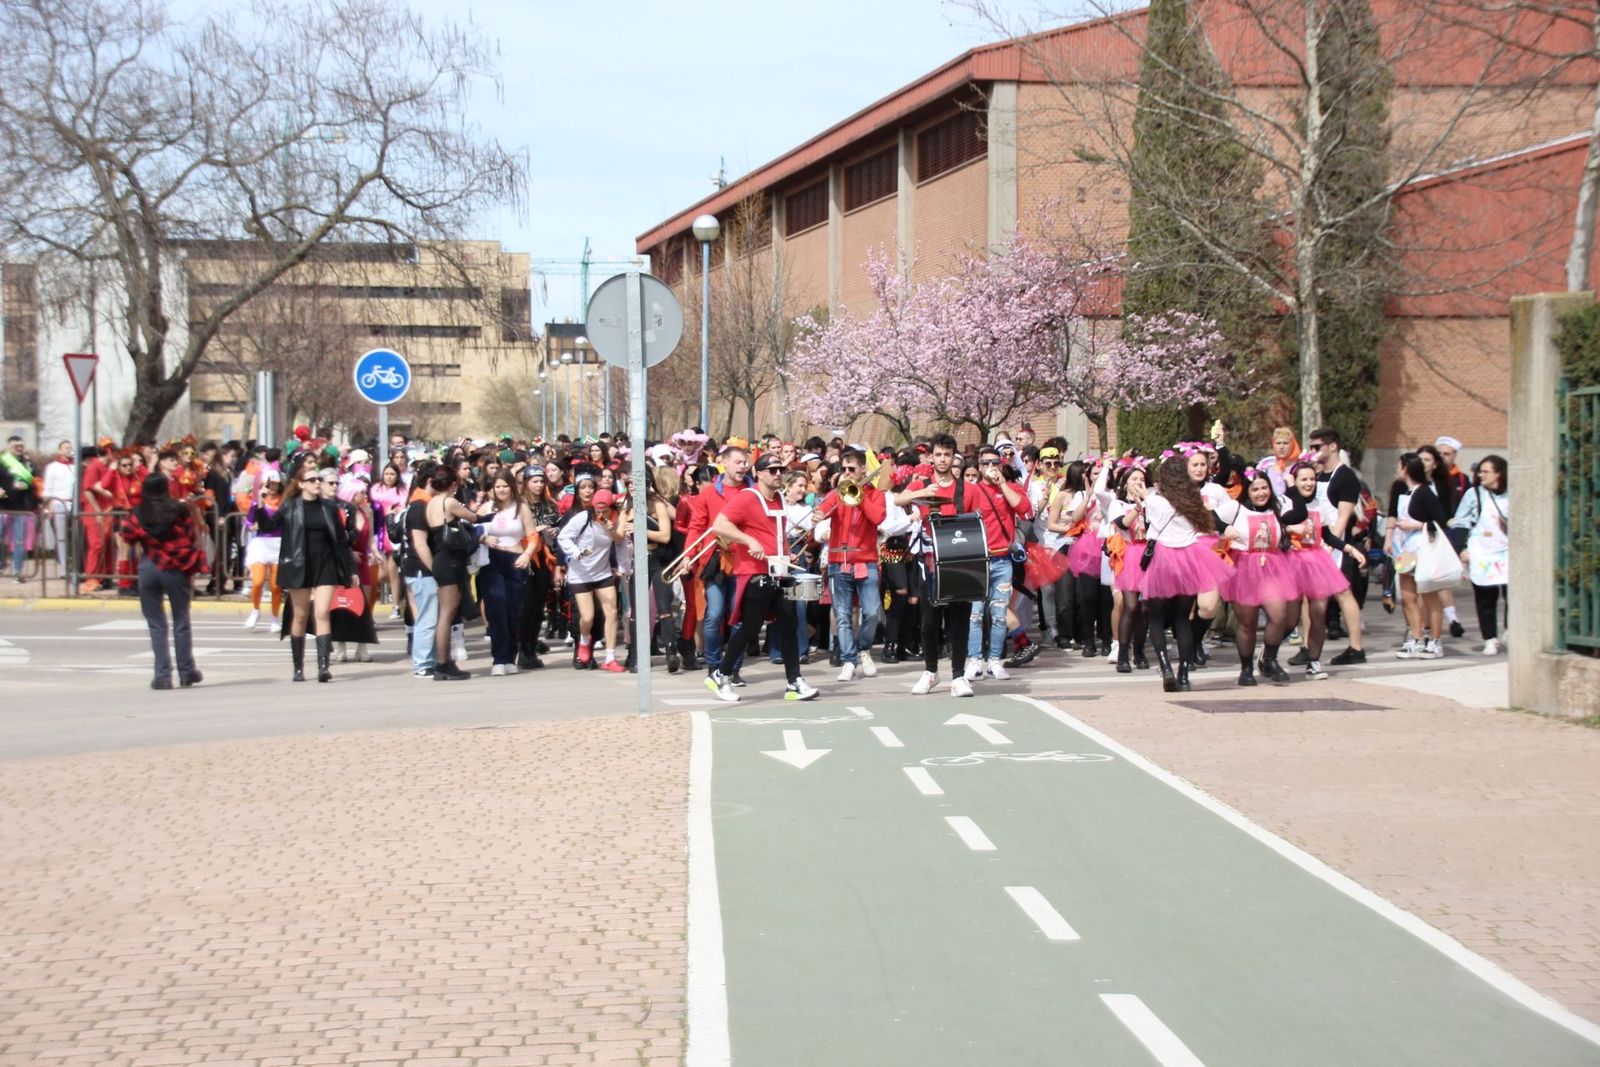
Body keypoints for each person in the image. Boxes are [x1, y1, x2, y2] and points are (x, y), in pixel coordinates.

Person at [704, 451, 820, 703]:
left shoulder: (779, 498)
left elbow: (776, 532)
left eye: (781, 470)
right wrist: (748, 540)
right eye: (772, 469)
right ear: (759, 473)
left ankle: (794, 681)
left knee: (789, 624)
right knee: (750, 627)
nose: (778, 473)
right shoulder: (747, 498)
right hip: (755, 573)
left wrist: (787, 554)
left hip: (780, 572)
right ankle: (720, 674)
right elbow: (720, 525)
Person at [1138, 455, 1235, 692]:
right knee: (1182, 619)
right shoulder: (1194, 501)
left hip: (1163, 558)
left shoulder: (1155, 501)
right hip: (1190, 557)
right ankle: (1183, 674)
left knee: (1157, 619)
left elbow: (1149, 525)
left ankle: (1166, 668)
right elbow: (1207, 524)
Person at [894, 433, 977, 697]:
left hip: (958, 558)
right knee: (929, 621)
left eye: (947, 455)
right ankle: (931, 671)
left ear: (954, 457)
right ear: (931, 457)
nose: (943, 459)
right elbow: (898, 500)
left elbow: (978, 522)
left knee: (960, 618)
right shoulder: (922, 482)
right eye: (938, 454)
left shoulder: (967, 488)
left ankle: (958, 676)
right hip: (929, 559)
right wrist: (922, 492)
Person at [119, 473, 205, 690]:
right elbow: (191, 535)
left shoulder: (138, 513)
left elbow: (127, 535)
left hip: (149, 566)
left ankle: (162, 676)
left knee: (156, 624)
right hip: (176, 567)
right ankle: (186, 672)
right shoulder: (179, 509)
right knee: (181, 621)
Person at [274, 465, 354, 682]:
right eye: (311, 480)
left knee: (322, 613)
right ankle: (298, 668)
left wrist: (350, 570)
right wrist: (263, 504)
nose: (317, 483)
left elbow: (341, 540)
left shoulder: (328, 507)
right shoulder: (290, 506)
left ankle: (323, 668)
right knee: (300, 616)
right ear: (300, 484)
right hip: (300, 565)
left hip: (325, 564)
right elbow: (268, 524)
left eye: (318, 479)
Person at [962, 444, 1033, 683]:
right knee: (975, 614)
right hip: (978, 560)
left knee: (1000, 614)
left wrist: (1002, 483)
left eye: (995, 462)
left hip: (1003, 559)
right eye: (985, 463)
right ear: (979, 466)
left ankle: (994, 660)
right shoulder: (972, 490)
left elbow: (1024, 509)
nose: (990, 467)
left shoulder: (1011, 486)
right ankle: (974, 660)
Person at [817, 448, 887, 683]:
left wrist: (859, 497)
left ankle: (864, 649)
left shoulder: (875, 494)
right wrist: (818, 515)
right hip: (839, 561)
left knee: (871, 612)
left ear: (862, 469)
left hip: (866, 561)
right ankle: (848, 660)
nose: (846, 473)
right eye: (843, 469)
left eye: (851, 469)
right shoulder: (837, 493)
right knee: (844, 615)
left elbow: (878, 518)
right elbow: (821, 511)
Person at [557, 473, 628, 671]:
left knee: (612, 612)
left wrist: (622, 567)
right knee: (587, 617)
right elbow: (563, 538)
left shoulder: (614, 518)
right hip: (580, 573)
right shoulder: (583, 517)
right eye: (598, 508)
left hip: (603, 572)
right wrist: (576, 553)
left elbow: (619, 541)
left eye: (605, 509)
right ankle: (584, 639)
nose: (601, 513)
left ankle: (610, 658)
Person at [474, 470, 537, 676]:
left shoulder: (522, 508)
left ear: (512, 487)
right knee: (496, 609)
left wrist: (527, 553)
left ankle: (511, 656)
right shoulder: (486, 508)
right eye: (497, 486)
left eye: (505, 486)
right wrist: (483, 539)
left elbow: (533, 536)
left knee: (513, 611)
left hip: (515, 561)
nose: (501, 490)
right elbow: (472, 530)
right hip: (491, 562)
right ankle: (499, 658)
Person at [422, 465, 480, 680]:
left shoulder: (430, 504)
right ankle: (443, 662)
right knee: (447, 612)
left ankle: (444, 661)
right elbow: (473, 517)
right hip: (450, 559)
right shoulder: (449, 501)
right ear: (453, 484)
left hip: (440, 558)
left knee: (446, 611)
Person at [1452, 454, 1509, 654]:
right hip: (1483, 552)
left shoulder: (1513, 493)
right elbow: (1460, 522)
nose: (1481, 475)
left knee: (1513, 595)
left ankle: (1510, 629)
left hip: (1507, 551)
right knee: (1485, 597)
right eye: (1480, 471)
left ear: (1499, 473)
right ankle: (1489, 638)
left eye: (1486, 471)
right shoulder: (1474, 494)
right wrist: (1461, 548)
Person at [243, 469, 285, 631]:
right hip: (261, 544)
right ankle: (255, 610)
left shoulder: (283, 501)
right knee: (258, 581)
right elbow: (249, 522)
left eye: (275, 483)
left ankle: (275, 619)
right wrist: (253, 525)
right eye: (269, 483)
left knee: (276, 586)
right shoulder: (257, 502)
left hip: (279, 544)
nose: (272, 487)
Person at [0, 435, 39, 580]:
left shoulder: (27, 464)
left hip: (21, 508)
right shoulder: (2, 461)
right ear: (9, 447)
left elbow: (34, 481)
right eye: (16, 446)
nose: (19, 449)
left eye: (21, 446)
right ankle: (1, 562)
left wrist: (27, 484)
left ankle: (17, 571)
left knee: (19, 540)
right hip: (3, 506)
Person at [42, 440, 75, 573]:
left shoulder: (75, 466)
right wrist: (49, 506)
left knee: (74, 536)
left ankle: (74, 564)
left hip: (73, 504)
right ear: (60, 450)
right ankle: (63, 568)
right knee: (61, 537)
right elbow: (48, 489)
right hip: (58, 503)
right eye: (66, 448)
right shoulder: (52, 467)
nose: (68, 450)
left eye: (70, 448)